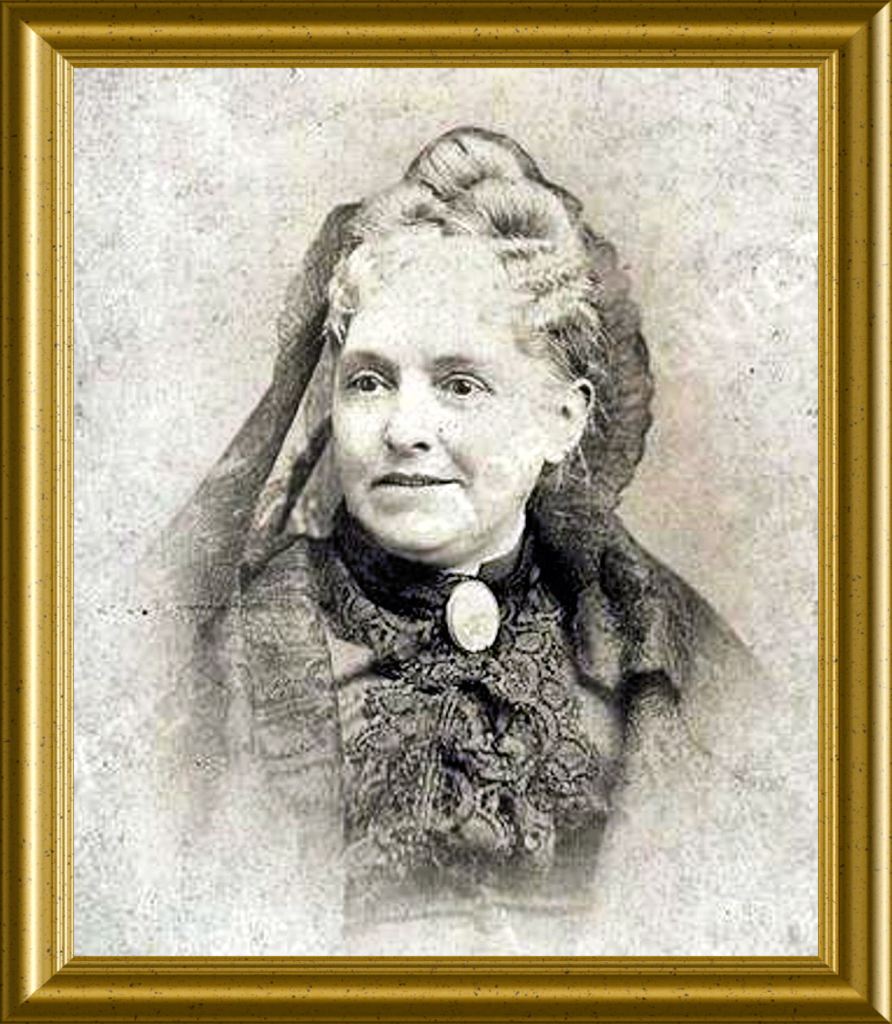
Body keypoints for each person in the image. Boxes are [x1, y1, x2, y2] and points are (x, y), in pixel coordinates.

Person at [149, 127, 806, 955]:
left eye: (459, 385)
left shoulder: (655, 660)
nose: (404, 429)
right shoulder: (223, 661)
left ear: (562, 419)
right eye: (369, 381)